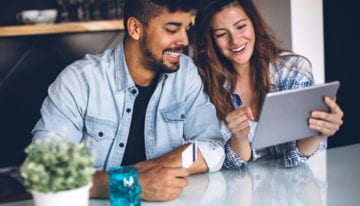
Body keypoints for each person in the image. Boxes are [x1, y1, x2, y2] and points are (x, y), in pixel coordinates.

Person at [31, 0, 225, 201]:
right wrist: (128, 183)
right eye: (172, 29)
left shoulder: (185, 73)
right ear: (135, 29)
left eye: (186, 29)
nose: (185, 40)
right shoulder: (79, 81)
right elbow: (44, 172)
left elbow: (211, 146)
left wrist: (148, 168)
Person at [193, 0, 343, 168]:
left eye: (241, 26)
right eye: (221, 34)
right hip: (240, 191)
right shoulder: (203, 85)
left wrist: (318, 133)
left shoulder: (292, 70)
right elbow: (224, 164)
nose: (235, 41)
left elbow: (297, 158)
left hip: (296, 187)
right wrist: (240, 138)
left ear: (254, 24)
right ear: (211, 40)